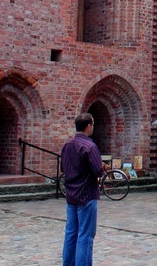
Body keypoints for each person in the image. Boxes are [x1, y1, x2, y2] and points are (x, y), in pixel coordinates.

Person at [61, 113, 104, 266]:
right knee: (85, 235)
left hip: (71, 194)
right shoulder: (89, 146)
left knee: (71, 233)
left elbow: (63, 168)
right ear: (88, 126)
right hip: (86, 195)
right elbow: (98, 170)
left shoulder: (67, 145)